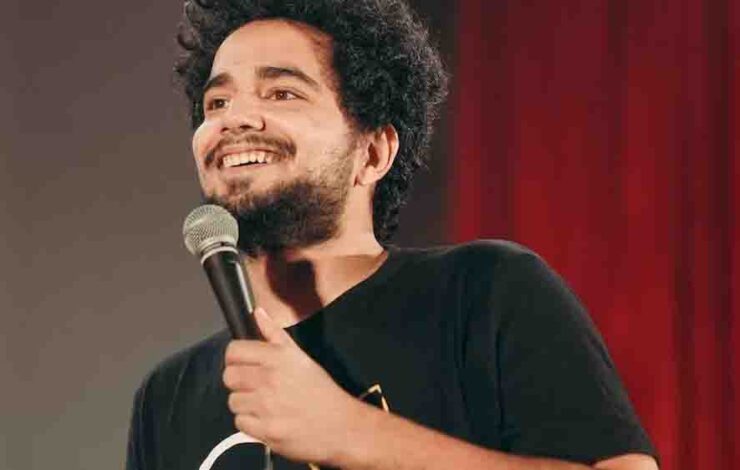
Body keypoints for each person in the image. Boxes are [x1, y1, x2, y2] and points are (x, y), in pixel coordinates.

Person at [126, 1, 659, 469]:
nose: (236, 119)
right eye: (217, 103)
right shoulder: (168, 396)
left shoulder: (483, 294)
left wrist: (352, 432)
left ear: (374, 152)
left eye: (282, 92)